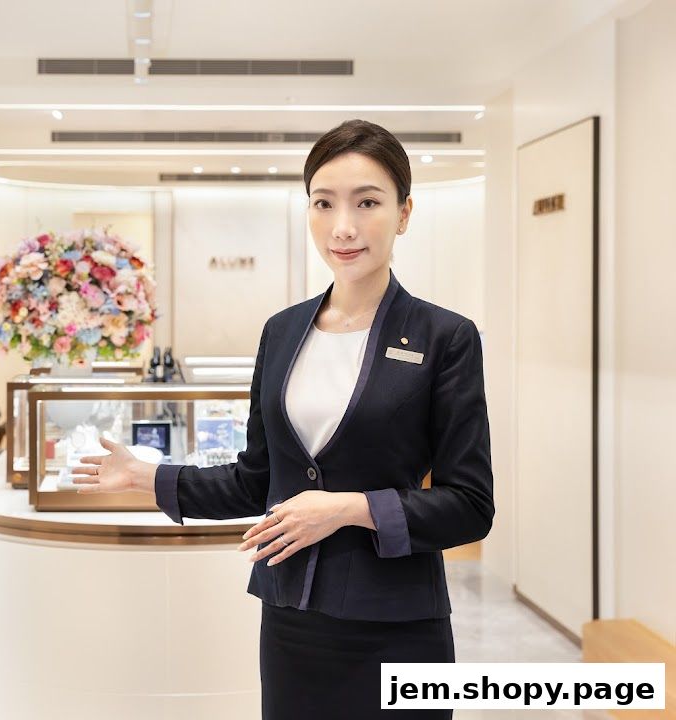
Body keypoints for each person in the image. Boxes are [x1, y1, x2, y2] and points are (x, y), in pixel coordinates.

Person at [71, 118, 495, 719]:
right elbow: (255, 478)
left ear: (403, 213)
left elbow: (471, 504)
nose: (342, 227)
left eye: (367, 202)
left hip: (398, 625)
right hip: (291, 620)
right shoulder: (283, 331)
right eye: (323, 203)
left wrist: (352, 508)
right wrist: (150, 477)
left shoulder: (444, 336)